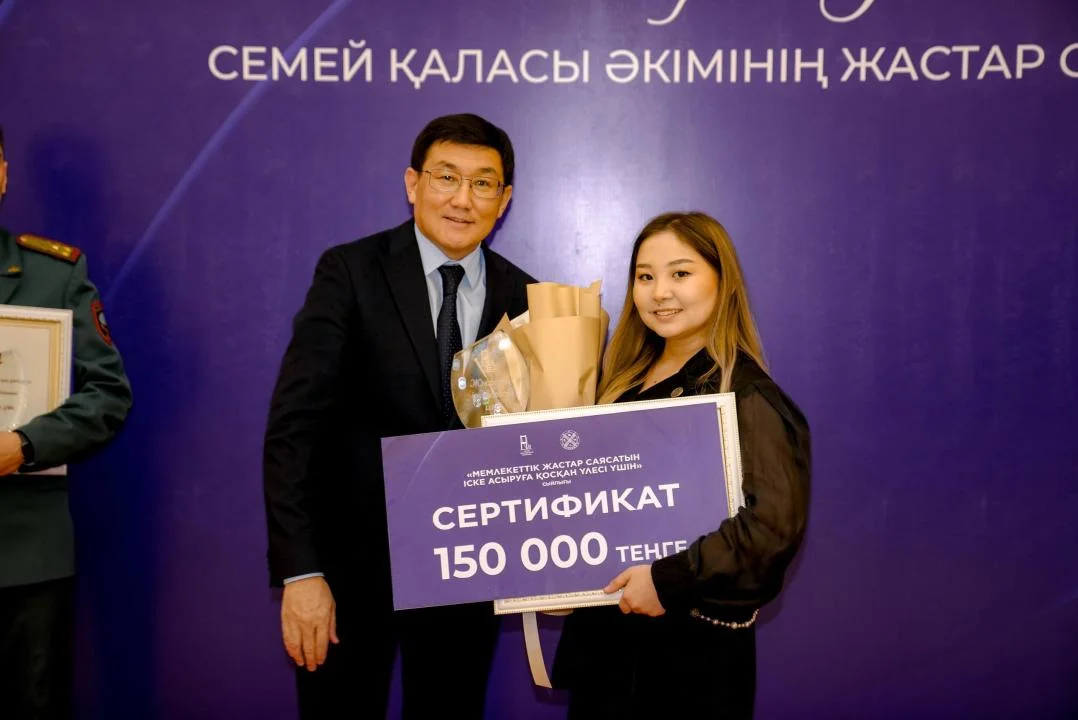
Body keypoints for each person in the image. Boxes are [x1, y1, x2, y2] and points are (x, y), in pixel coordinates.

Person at [263, 113, 536, 718]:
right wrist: (301, 572)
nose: (462, 199)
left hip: (467, 576)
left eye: (483, 183)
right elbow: (294, 429)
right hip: (348, 577)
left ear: (504, 199)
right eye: (446, 177)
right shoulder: (350, 272)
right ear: (413, 184)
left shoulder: (528, 299)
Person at [551, 211, 811, 718]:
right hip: (608, 656)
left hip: (688, 665)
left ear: (722, 280)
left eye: (681, 273)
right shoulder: (619, 382)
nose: (660, 292)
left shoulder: (746, 394)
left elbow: (770, 529)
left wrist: (667, 579)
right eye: (645, 276)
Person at [0, 125, 134, 719]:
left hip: (23, 563)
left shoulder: (54, 274)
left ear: (3, 174)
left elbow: (108, 396)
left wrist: (24, 445)